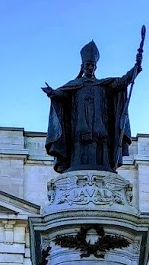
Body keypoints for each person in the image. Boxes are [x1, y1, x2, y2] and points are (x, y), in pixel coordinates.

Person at [43, 40, 141, 174]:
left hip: (100, 126)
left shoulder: (103, 86)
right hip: (79, 126)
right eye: (87, 65)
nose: (89, 67)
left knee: (100, 145)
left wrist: (136, 67)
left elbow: (123, 81)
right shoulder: (75, 85)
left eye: (92, 65)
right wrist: (52, 92)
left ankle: (104, 167)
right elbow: (62, 95)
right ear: (82, 66)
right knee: (79, 145)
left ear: (95, 67)